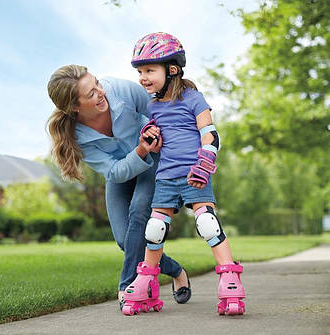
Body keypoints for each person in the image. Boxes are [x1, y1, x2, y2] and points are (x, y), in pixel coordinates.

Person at [46, 64, 192, 310]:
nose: (100, 92)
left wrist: (160, 142)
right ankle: (177, 271)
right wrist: (139, 150)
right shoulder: (76, 136)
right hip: (123, 172)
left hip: (153, 159)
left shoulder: (121, 91)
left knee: (138, 212)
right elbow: (114, 171)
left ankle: (128, 286)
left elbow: (160, 113)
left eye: (97, 84)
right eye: (90, 93)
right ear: (74, 107)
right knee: (127, 242)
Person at [122, 32, 246, 316]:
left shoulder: (193, 99)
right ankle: (147, 282)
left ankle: (230, 280)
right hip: (165, 177)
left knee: (207, 223)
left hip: (195, 174)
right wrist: (149, 134)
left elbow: (211, 135)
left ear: (172, 69)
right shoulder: (152, 106)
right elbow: (154, 140)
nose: (143, 77)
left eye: (149, 70)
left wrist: (205, 162)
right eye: (140, 71)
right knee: (154, 231)